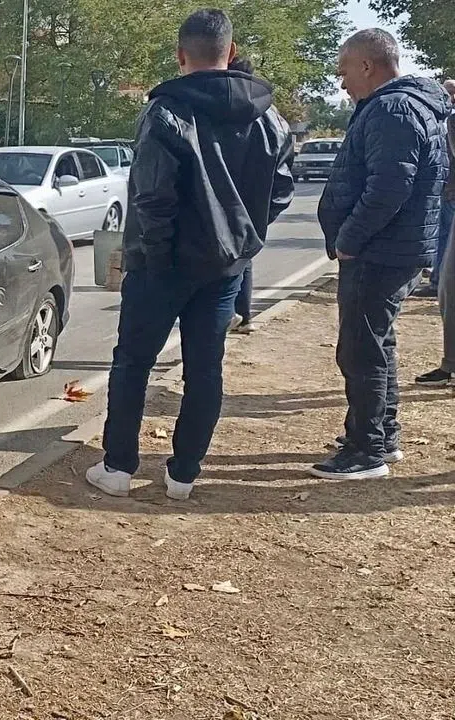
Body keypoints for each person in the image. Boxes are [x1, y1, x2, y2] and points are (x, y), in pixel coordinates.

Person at [86, 9, 294, 500]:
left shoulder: (166, 111)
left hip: (164, 265)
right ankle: (183, 474)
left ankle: (119, 468)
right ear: (232, 51)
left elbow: (153, 196)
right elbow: (282, 189)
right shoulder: (268, 116)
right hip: (223, 267)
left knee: (133, 363)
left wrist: (155, 257)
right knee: (205, 368)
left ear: (181, 55)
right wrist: (243, 236)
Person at [312, 29, 449, 481]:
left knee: (360, 351)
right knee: (376, 344)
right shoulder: (403, 106)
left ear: (367, 66)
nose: (341, 81)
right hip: (393, 249)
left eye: (343, 70)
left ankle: (366, 450)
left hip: (379, 252)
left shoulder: (392, 108)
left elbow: (389, 188)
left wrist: (348, 240)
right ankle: (381, 436)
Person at [412, 78, 455, 299]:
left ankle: (436, 281)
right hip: (446, 188)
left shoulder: (447, 120)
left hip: (449, 189)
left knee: (443, 237)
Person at [228, 55, 257, 334]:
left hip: (228, 206)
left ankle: (231, 314)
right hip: (249, 207)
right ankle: (243, 315)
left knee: (230, 265)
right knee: (244, 261)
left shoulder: (224, 112)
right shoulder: (265, 114)